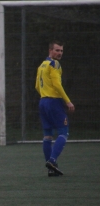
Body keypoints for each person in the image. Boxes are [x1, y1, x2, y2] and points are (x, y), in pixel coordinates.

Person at [35, 40, 75, 177]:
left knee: (47, 135)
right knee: (64, 132)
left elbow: (36, 86)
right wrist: (68, 101)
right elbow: (57, 85)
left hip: (43, 101)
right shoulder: (54, 64)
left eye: (61, 51)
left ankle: (51, 169)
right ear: (50, 51)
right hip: (54, 102)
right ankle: (52, 161)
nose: (59, 53)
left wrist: (45, 95)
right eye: (57, 50)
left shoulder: (42, 65)